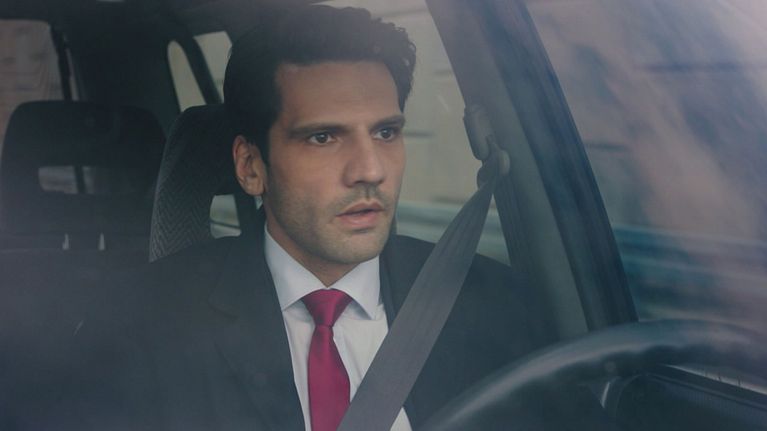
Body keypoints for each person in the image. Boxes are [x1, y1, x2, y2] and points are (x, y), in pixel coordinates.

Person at [67, 4, 543, 431]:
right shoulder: (141, 327)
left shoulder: (491, 309)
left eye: (385, 132)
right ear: (251, 167)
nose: (370, 170)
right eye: (323, 138)